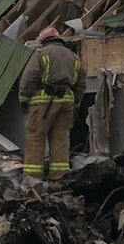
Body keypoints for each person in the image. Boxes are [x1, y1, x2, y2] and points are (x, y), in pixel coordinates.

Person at [18, 27, 86, 180]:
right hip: (66, 101)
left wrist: (23, 98)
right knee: (60, 138)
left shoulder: (41, 53)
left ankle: (32, 178)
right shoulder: (74, 58)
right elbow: (81, 84)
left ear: (43, 41)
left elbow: (30, 77)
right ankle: (59, 176)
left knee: (36, 138)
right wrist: (76, 105)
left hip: (43, 102)